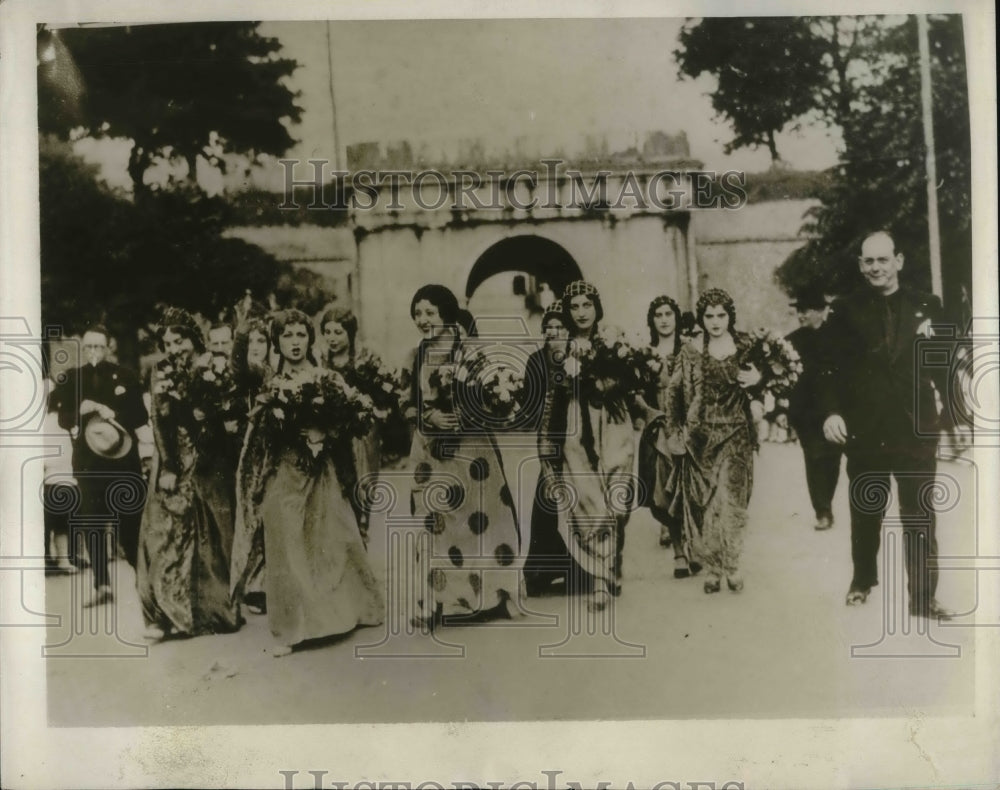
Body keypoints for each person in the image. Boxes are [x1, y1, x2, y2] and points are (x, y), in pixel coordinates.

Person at [819, 230, 956, 618]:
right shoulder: (845, 310)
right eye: (868, 261)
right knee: (866, 511)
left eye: (882, 259)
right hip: (866, 430)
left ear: (899, 261)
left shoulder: (928, 305)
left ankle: (923, 598)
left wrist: (952, 415)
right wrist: (831, 412)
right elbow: (826, 368)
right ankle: (862, 580)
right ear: (861, 265)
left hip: (915, 428)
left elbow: (941, 364)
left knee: (920, 516)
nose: (875, 267)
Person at [231, 309, 384, 656]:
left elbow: (355, 416)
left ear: (309, 340)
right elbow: (239, 369)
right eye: (287, 336)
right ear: (277, 342)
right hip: (283, 472)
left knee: (332, 539)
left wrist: (324, 432)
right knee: (286, 544)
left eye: (301, 335)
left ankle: (344, 613)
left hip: (322, 471)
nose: (295, 343)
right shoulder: (269, 380)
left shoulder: (324, 378)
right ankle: (291, 628)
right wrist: (244, 331)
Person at [406, 284, 522, 626]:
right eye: (417, 313)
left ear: (446, 313)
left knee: (484, 520)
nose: (423, 319)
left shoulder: (472, 352)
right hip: (430, 453)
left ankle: (496, 596)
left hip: (473, 452)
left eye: (430, 312)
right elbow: (405, 402)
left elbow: (493, 396)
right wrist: (429, 417)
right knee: (432, 521)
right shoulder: (416, 356)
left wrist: (469, 412)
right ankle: (433, 603)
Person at [137, 308, 241, 639]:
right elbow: (159, 420)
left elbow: (227, 415)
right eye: (166, 343)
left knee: (212, 532)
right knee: (165, 534)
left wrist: (207, 422)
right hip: (172, 461)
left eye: (178, 341)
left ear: (193, 339)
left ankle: (212, 614)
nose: (173, 349)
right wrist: (168, 465)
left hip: (208, 462)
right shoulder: (161, 371)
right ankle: (166, 615)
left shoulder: (214, 366)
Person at [539, 281, 638, 610]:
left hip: (612, 422)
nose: (581, 312)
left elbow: (629, 378)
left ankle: (614, 558)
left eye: (587, 305)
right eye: (575, 307)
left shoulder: (613, 339)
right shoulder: (561, 347)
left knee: (618, 499)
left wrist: (604, 383)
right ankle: (600, 577)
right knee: (590, 503)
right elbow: (553, 397)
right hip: (576, 427)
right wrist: (546, 443)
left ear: (596, 307)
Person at [665, 289, 762, 594]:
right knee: (705, 503)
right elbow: (674, 392)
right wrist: (674, 431)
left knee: (733, 500)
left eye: (721, 315)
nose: (716, 322)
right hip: (701, 438)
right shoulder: (690, 350)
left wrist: (759, 384)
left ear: (730, 316)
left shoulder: (745, 345)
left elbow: (766, 380)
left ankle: (731, 566)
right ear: (701, 318)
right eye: (709, 316)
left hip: (737, 433)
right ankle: (712, 566)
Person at [54, 324, 148, 607]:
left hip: (123, 461)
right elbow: (62, 419)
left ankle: (144, 580)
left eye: (99, 346)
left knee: (131, 523)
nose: (93, 352)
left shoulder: (127, 376)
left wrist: (114, 412)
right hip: (88, 464)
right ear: (83, 349)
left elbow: (141, 416)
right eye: (88, 347)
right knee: (93, 523)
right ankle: (102, 585)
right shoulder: (72, 378)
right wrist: (77, 412)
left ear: (109, 348)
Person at [637, 295, 702, 578]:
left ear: (676, 318)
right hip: (660, 429)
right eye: (658, 315)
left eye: (668, 314)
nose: (664, 319)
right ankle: (678, 551)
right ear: (652, 320)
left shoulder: (689, 350)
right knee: (666, 492)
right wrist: (652, 414)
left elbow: (700, 388)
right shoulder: (644, 354)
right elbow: (635, 394)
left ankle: (694, 546)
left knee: (693, 488)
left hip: (688, 427)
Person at [522, 303, 579, 596]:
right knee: (547, 499)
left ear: (569, 331)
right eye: (550, 327)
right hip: (547, 435)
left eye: (560, 327)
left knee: (576, 501)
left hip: (574, 435)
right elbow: (527, 401)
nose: (554, 332)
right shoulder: (536, 360)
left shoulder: (577, 357)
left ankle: (578, 570)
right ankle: (542, 571)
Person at [320, 306, 384, 546]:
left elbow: (383, 393)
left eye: (338, 332)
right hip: (333, 433)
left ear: (350, 332)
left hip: (361, 434)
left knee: (363, 482)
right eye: (327, 332)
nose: (332, 338)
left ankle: (361, 532)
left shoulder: (365, 358)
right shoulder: (320, 360)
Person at [786, 287, 842, 531]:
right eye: (798, 310)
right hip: (805, 413)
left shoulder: (838, 338)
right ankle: (822, 511)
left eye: (806, 310)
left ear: (822, 311)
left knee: (832, 459)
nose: (801, 315)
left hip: (835, 411)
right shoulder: (791, 341)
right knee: (814, 457)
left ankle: (826, 503)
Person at [43, 383, 79, 575]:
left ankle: (62, 559)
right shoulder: (50, 423)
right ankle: (57, 559)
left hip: (61, 479)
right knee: (56, 523)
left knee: (59, 523)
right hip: (53, 478)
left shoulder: (63, 423)